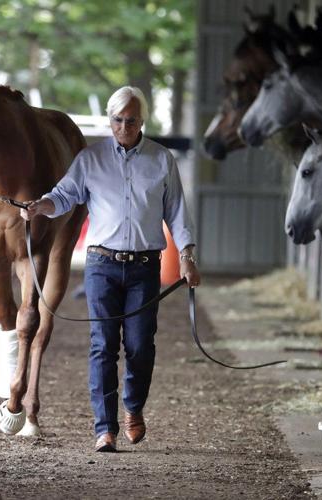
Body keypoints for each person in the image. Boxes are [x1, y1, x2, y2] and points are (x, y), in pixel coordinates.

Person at [21, 86, 200, 452]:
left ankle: (133, 407)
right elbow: (65, 194)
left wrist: (187, 255)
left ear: (142, 121)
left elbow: (178, 211)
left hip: (144, 267)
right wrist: (42, 205)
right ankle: (105, 428)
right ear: (110, 119)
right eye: (117, 120)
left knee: (139, 346)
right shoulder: (90, 159)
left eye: (131, 120)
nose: (123, 127)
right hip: (102, 265)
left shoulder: (162, 160)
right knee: (102, 346)